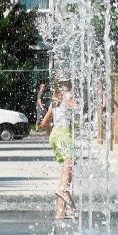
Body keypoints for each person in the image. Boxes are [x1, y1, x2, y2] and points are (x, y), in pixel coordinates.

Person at [42, 80, 77, 220]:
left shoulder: (54, 103)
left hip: (55, 134)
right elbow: (72, 105)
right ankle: (63, 189)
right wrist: (79, 106)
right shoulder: (67, 96)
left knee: (65, 171)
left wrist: (51, 134)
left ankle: (61, 211)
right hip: (63, 132)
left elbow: (44, 123)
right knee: (70, 161)